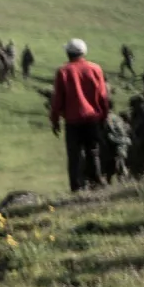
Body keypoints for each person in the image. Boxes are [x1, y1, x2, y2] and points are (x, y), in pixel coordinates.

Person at [49, 38, 111, 191]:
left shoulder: (63, 71)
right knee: (93, 152)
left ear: (68, 53)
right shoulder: (96, 69)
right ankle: (96, 183)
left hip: (73, 121)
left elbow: (58, 99)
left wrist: (55, 120)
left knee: (74, 156)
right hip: (93, 119)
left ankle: (76, 188)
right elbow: (103, 96)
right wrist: (104, 117)